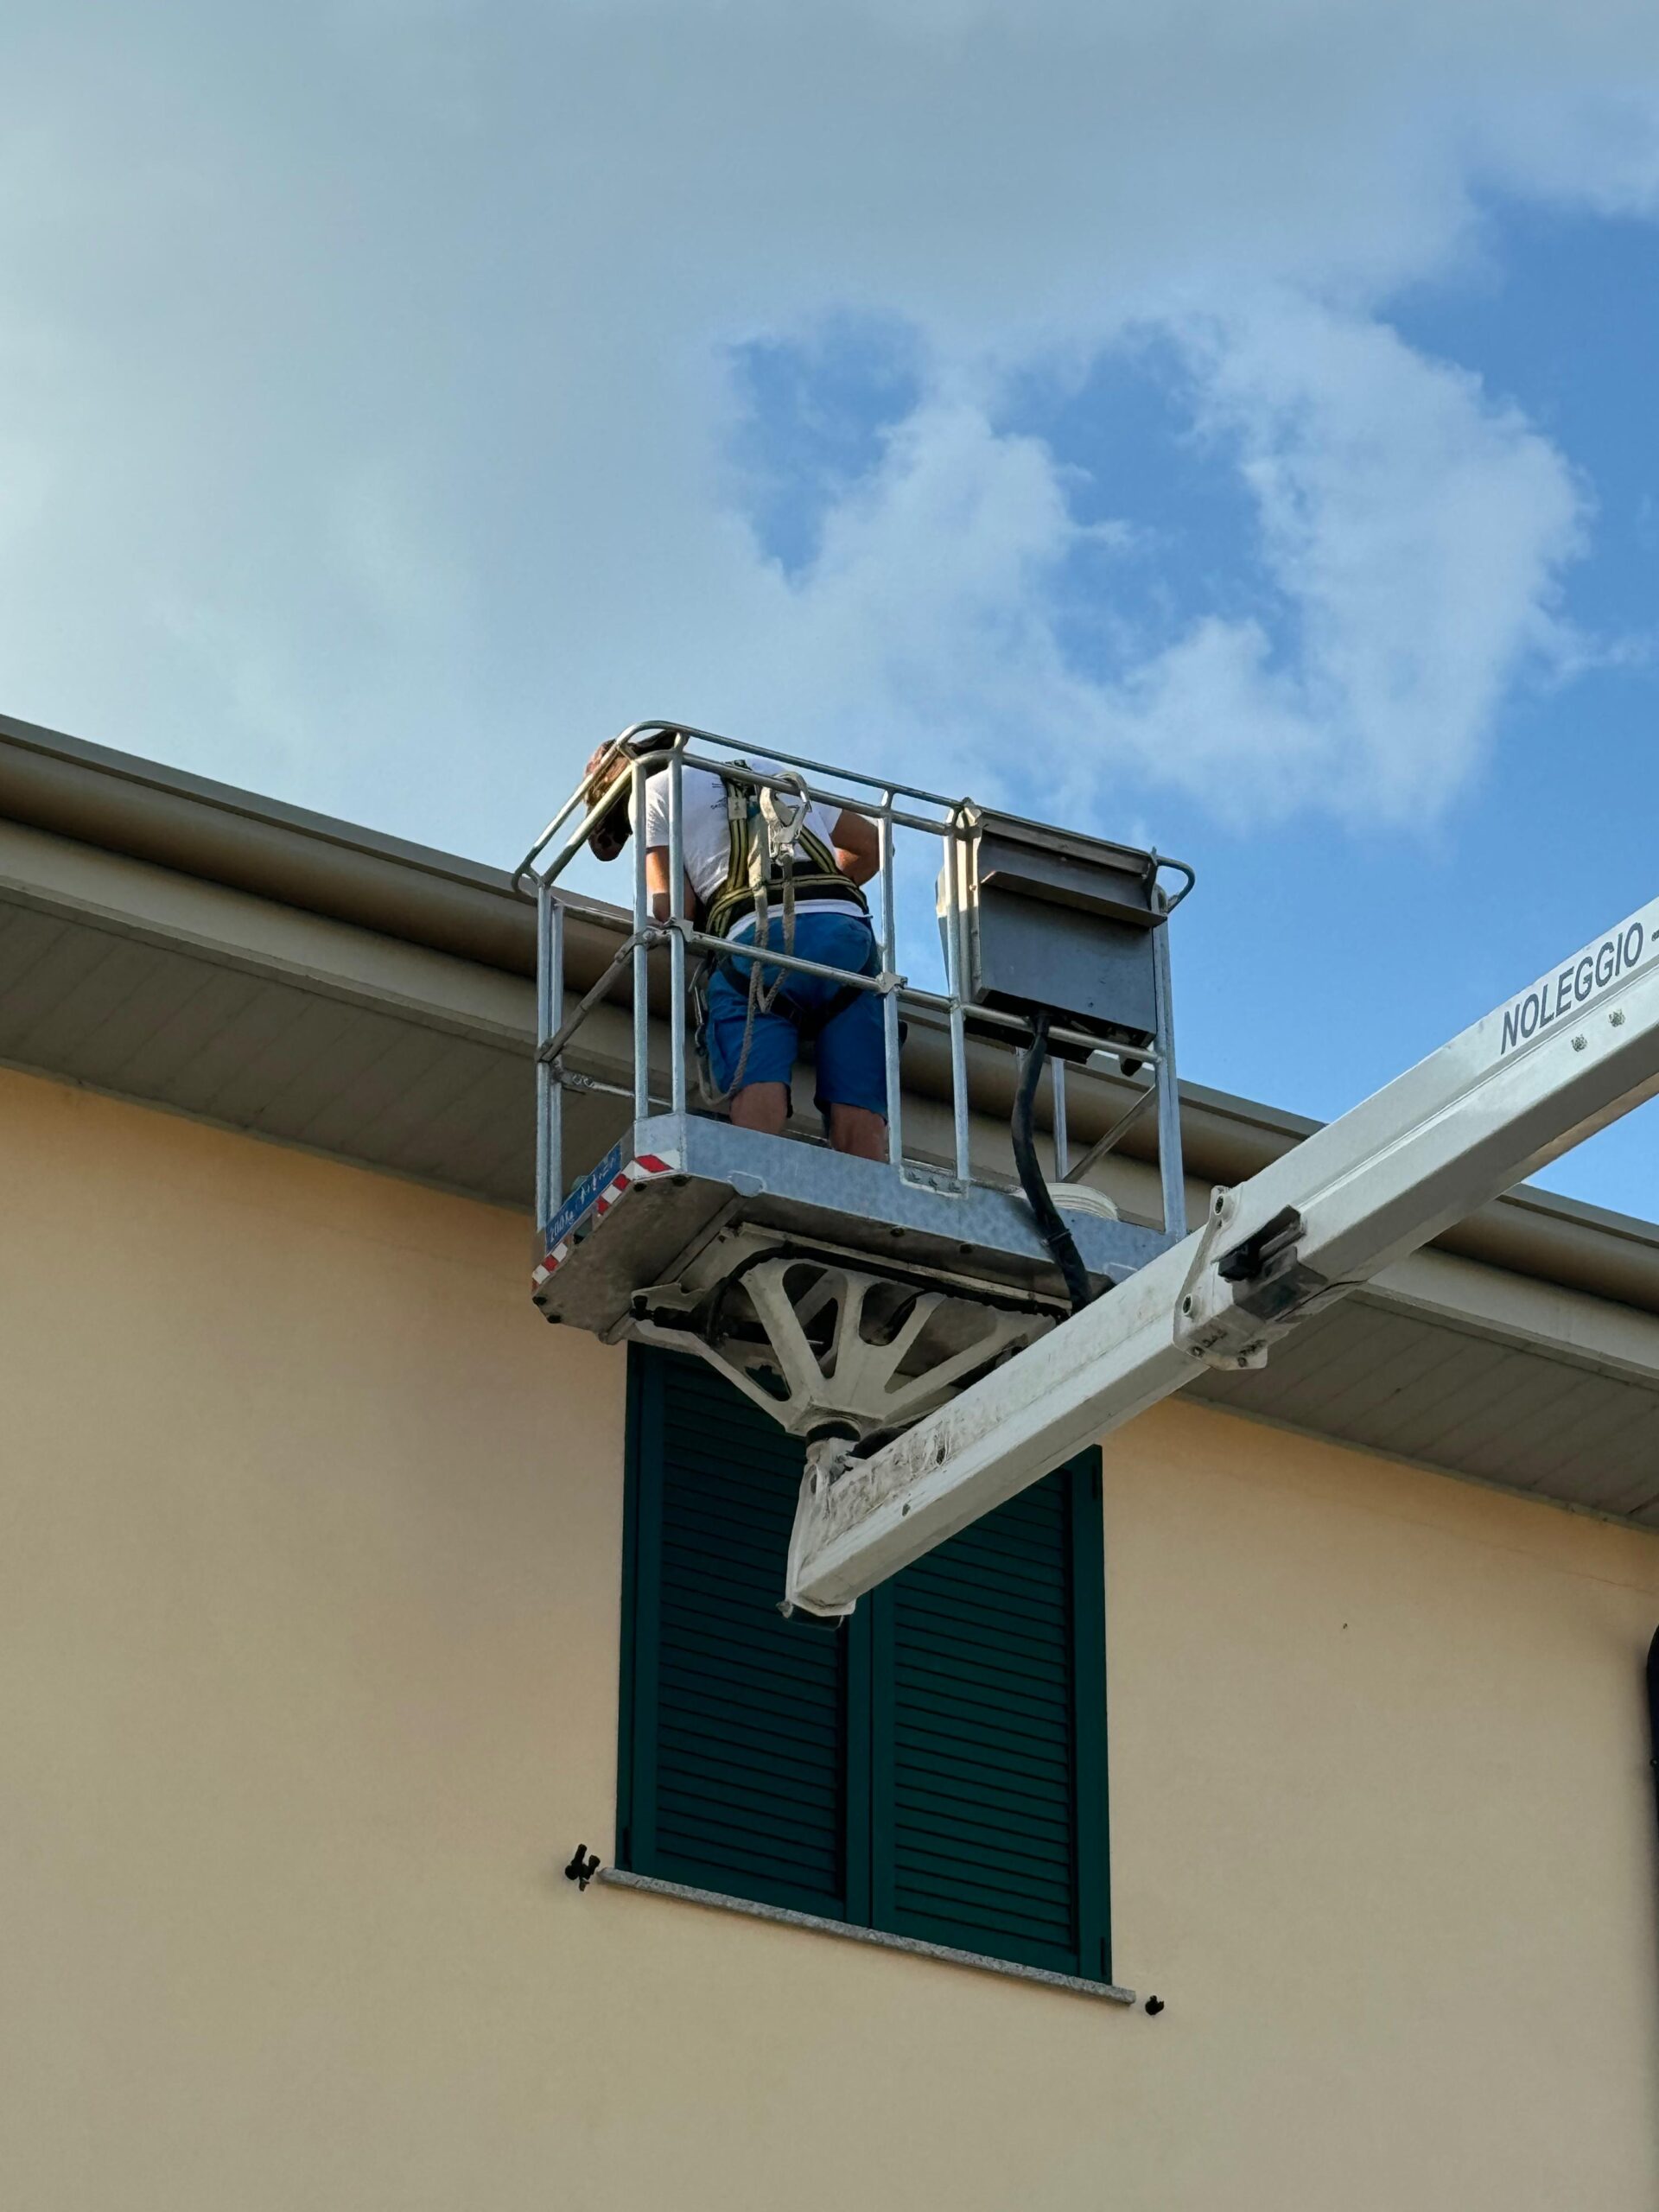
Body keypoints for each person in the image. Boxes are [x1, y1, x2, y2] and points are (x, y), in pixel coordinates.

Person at [582, 743, 887, 1159]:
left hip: (758, 939)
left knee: (757, 1082)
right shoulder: (767, 769)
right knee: (858, 1101)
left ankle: (751, 1175)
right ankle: (864, 1187)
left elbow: (676, 909)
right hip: (846, 935)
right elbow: (872, 846)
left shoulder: (649, 792)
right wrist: (811, 900)